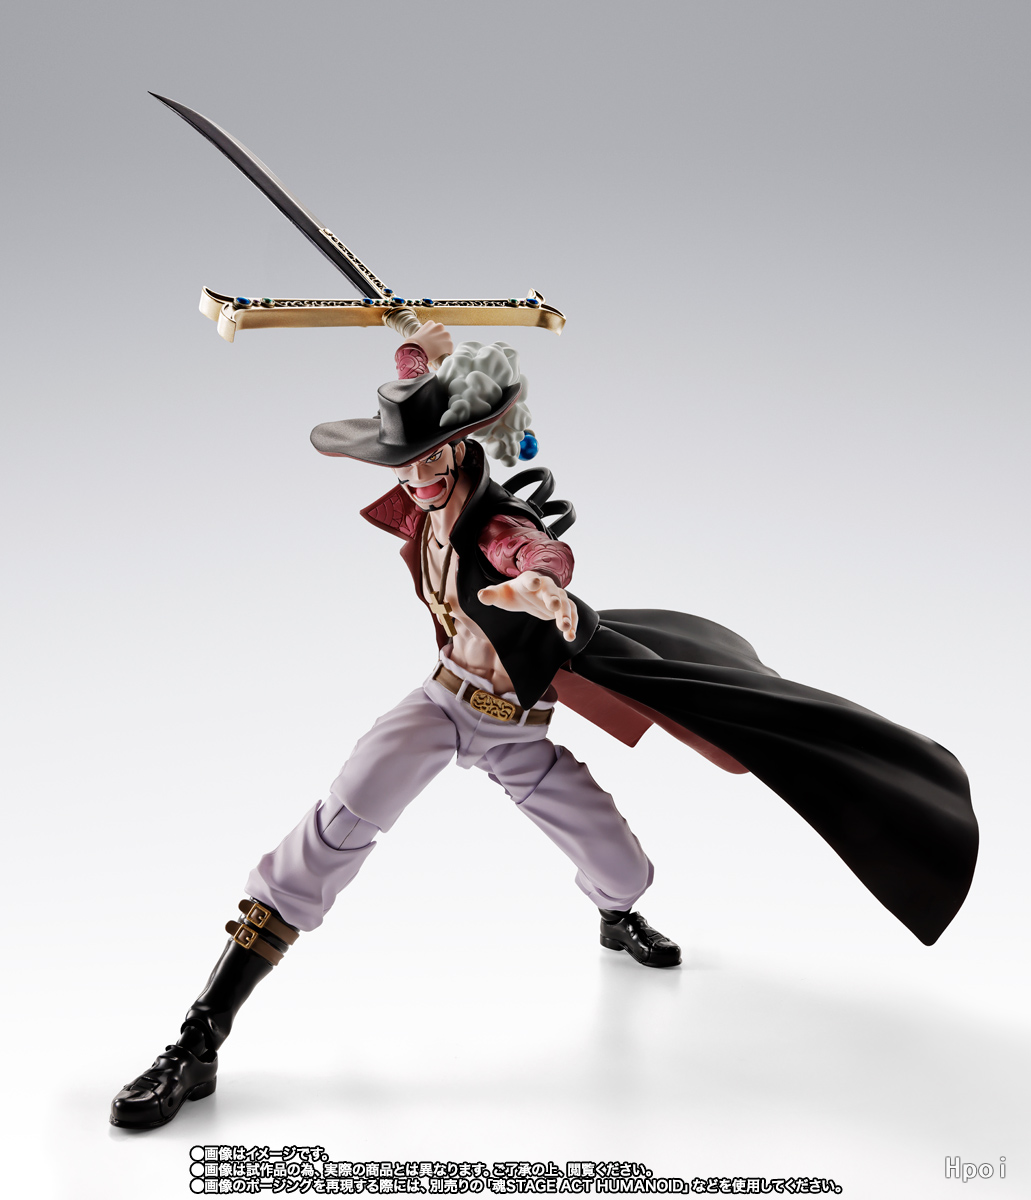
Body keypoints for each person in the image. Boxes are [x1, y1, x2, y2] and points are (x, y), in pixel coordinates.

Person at [111, 323, 978, 1130]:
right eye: (401, 462)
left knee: (618, 860)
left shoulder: (495, 524)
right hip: (440, 705)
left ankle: (616, 914)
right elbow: (418, 389)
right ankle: (199, 1039)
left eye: (427, 457)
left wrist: (543, 587)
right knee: (332, 831)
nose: (413, 478)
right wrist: (420, 347)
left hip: (517, 728)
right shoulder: (421, 501)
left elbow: (532, 551)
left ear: (462, 446)